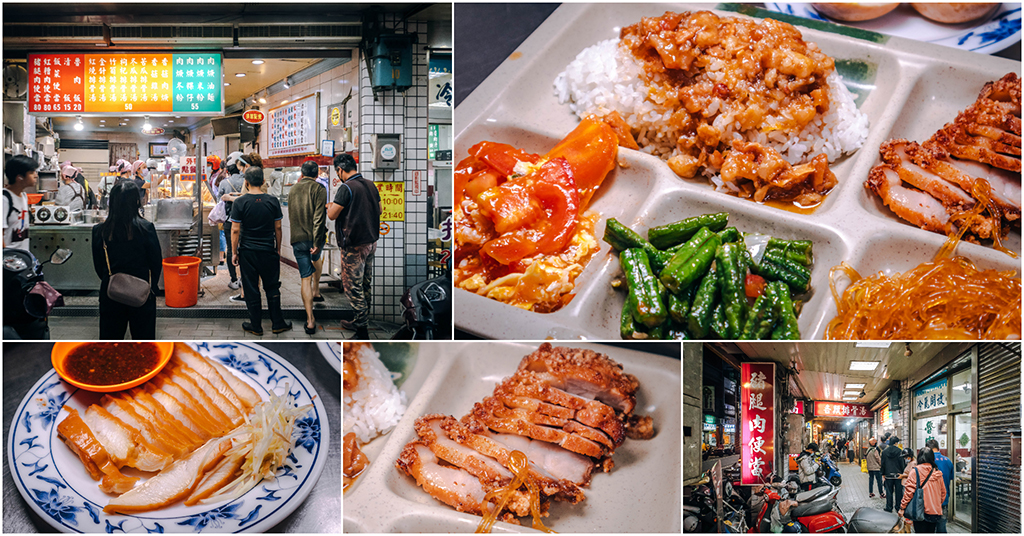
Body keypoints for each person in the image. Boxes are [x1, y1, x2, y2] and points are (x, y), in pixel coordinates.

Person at [91, 180, 162, 339]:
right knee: (144, 341)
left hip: (110, 293)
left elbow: (98, 266)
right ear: (137, 201)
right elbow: (156, 262)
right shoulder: (146, 228)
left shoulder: (99, 231)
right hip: (142, 292)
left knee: (110, 341)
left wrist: (112, 280)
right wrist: (152, 286)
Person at [229, 166, 291, 335]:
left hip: (248, 252)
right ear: (263, 181)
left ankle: (255, 325)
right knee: (272, 287)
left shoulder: (240, 202)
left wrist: (234, 252)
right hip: (268, 250)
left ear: (246, 182)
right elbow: (278, 228)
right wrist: (278, 249)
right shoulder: (272, 201)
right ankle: (278, 323)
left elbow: (235, 230)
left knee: (251, 288)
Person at [327, 153, 381, 339]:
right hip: (371, 243)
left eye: (337, 172)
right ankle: (360, 321)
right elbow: (380, 209)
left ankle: (362, 330)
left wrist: (330, 206)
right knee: (365, 283)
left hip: (355, 246)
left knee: (352, 286)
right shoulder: (370, 184)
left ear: (340, 170)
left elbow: (333, 215)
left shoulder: (346, 188)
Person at [289, 160, 328, 335]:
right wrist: (317, 242)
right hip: (313, 238)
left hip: (297, 238)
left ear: (302, 174)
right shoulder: (319, 189)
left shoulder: (293, 189)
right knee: (316, 258)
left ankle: (310, 320)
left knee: (305, 277)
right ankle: (317, 290)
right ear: (317, 174)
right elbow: (319, 218)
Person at [899, 448, 947, 533]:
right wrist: (936, 504)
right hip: (934, 512)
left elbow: (909, 492)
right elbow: (943, 493)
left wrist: (902, 507)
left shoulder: (915, 472)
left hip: (920, 510)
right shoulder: (937, 472)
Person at [220, 155, 248, 294]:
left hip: (229, 220)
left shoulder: (225, 182)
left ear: (228, 171)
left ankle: (233, 279)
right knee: (243, 248)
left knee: (231, 249)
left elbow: (219, 197)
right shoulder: (246, 181)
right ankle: (244, 277)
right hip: (245, 220)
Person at [3, 155, 38, 251]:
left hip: (21, 258)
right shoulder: (4, 199)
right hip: (8, 260)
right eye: (31, 173)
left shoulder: (23, 196)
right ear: (19, 177)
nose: (36, 175)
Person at [927, 440, 953, 533]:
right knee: (942, 525)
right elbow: (950, 478)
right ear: (939, 448)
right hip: (944, 499)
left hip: (930, 500)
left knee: (929, 527)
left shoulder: (927, 462)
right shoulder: (948, 461)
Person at [882, 436, 907, 513]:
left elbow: (883, 463)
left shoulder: (884, 451)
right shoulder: (899, 451)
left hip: (888, 474)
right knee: (898, 491)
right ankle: (898, 506)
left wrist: (883, 473)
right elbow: (902, 463)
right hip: (898, 475)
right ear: (896, 443)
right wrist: (903, 472)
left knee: (889, 491)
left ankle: (889, 507)